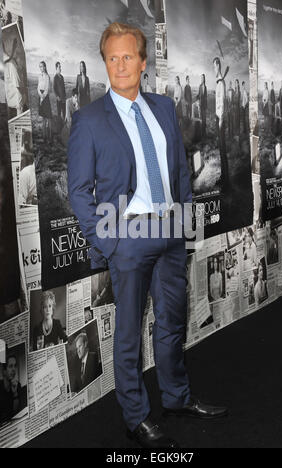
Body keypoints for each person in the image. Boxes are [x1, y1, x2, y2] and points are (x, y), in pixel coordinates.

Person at [68, 22, 227, 449]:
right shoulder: (88, 120)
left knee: (173, 323)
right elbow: (79, 191)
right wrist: (109, 243)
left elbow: (179, 174)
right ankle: (135, 417)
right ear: (106, 64)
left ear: (143, 62)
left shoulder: (164, 107)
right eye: (112, 58)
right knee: (129, 334)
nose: (120, 65)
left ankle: (177, 398)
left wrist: (186, 226)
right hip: (128, 237)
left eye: (127, 56)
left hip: (172, 231)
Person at [213, 57, 229, 190]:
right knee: (221, 149)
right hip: (219, 118)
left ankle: (226, 180)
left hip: (221, 120)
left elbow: (222, 104)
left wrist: (221, 121)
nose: (214, 69)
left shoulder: (221, 84)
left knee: (223, 150)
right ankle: (224, 177)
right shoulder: (218, 82)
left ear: (218, 66)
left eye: (214, 66)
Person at [0, 355, 26, 424]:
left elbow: (16, 412)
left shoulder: (18, 385)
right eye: (10, 366)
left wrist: (15, 394)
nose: (14, 369)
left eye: (15, 366)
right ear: (4, 371)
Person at [2, 36, 23, 119]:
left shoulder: (10, 63)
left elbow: (18, 85)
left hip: (17, 107)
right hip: (10, 105)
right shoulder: (7, 63)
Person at [37, 61, 52, 143]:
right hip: (40, 97)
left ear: (45, 67)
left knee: (49, 118)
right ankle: (44, 136)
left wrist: (42, 97)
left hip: (45, 98)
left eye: (42, 66)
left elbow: (47, 89)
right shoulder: (39, 76)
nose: (41, 68)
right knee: (43, 118)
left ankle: (50, 137)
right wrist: (40, 96)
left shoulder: (47, 76)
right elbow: (38, 87)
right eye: (40, 67)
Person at [53, 62, 66, 128]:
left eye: (60, 67)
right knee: (58, 114)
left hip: (63, 99)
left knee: (64, 113)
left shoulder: (62, 77)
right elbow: (54, 88)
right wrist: (57, 96)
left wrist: (65, 97)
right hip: (58, 99)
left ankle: (64, 128)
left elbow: (63, 88)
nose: (60, 68)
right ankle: (58, 128)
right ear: (56, 68)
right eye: (59, 67)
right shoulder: (55, 77)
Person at [197, 74, 207, 138]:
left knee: (204, 120)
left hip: (204, 106)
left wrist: (206, 106)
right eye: (201, 78)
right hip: (200, 105)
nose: (202, 79)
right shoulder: (200, 86)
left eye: (203, 78)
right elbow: (198, 95)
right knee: (200, 119)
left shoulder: (205, 87)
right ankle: (200, 134)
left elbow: (206, 97)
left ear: (204, 79)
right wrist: (196, 101)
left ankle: (204, 134)